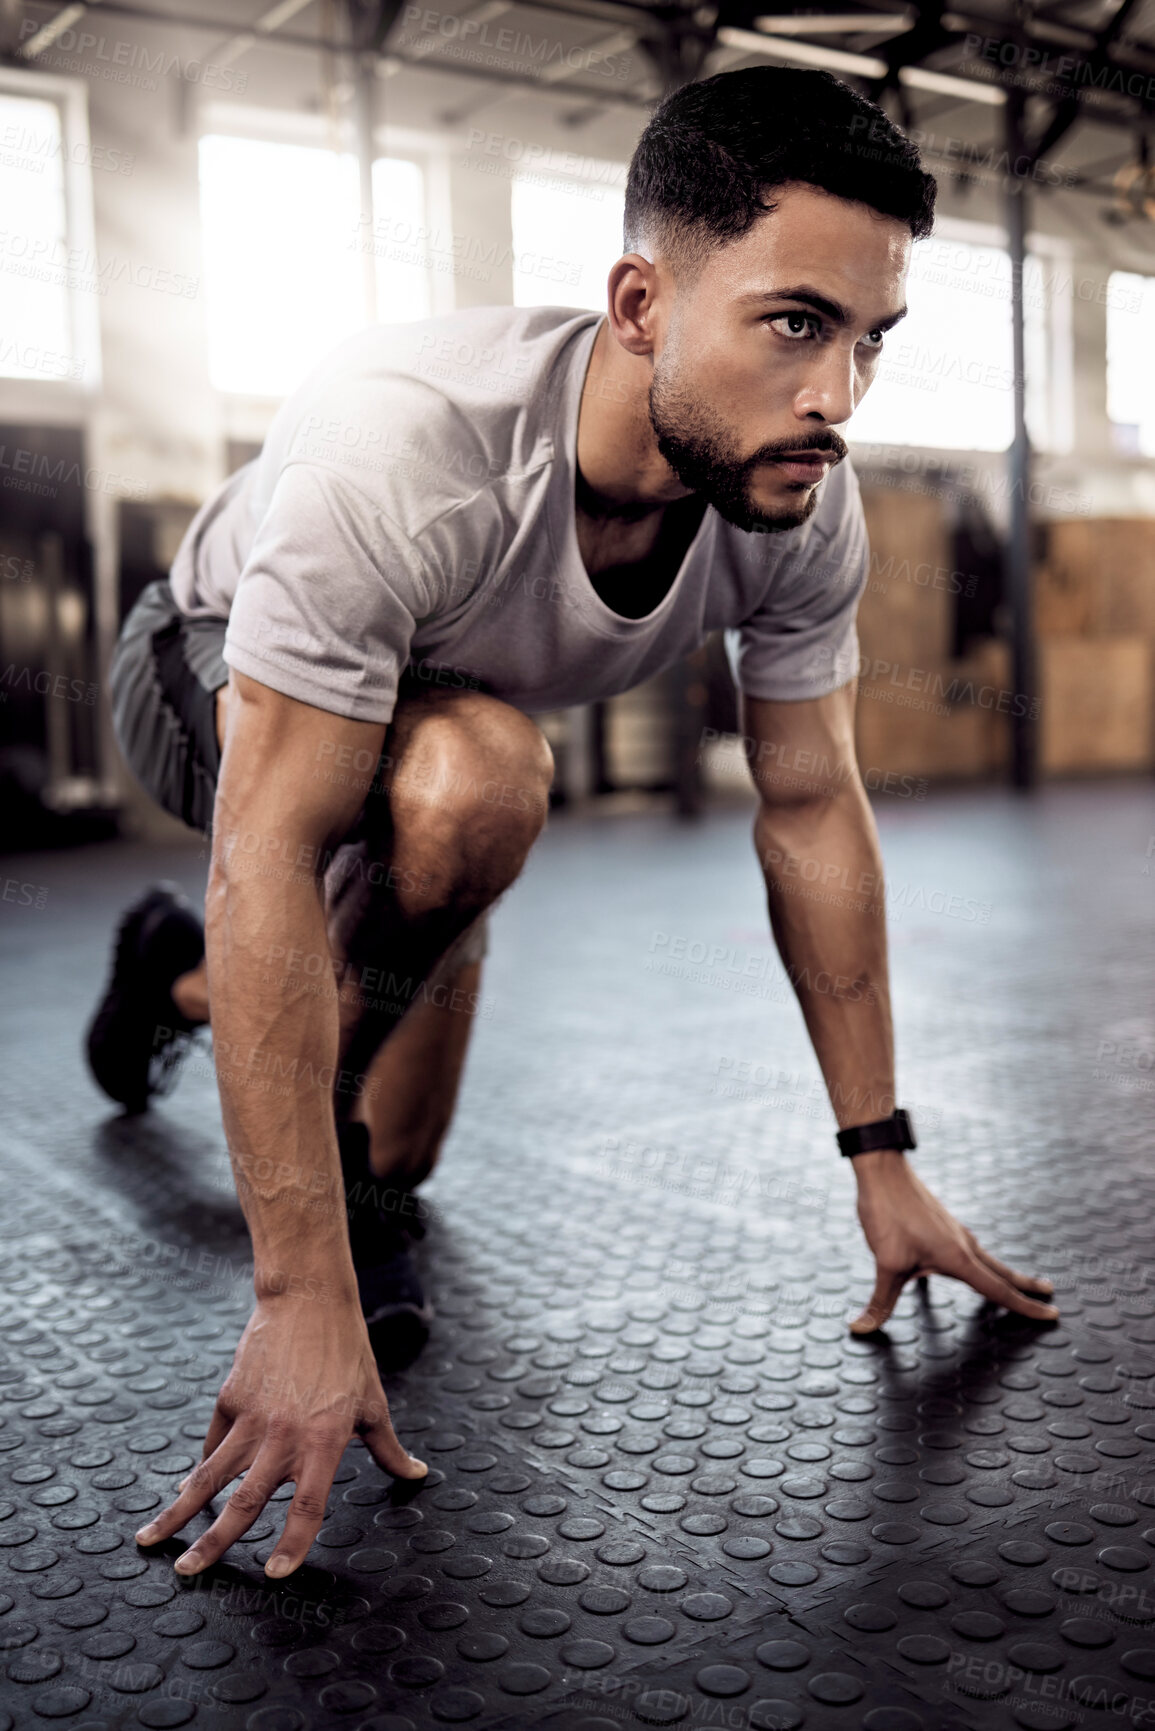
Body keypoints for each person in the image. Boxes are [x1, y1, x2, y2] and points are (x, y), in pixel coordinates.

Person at [88, 65, 1058, 1584]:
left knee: (400, 1151)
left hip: (439, 747)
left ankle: (177, 981)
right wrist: (298, 1289)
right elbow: (269, 849)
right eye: (796, 323)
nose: (838, 397)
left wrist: (882, 1155)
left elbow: (811, 807)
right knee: (477, 783)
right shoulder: (407, 444)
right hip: (200, 663)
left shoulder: (794, 494)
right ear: (639, 303)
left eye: (872, 341)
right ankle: (254, 1024)